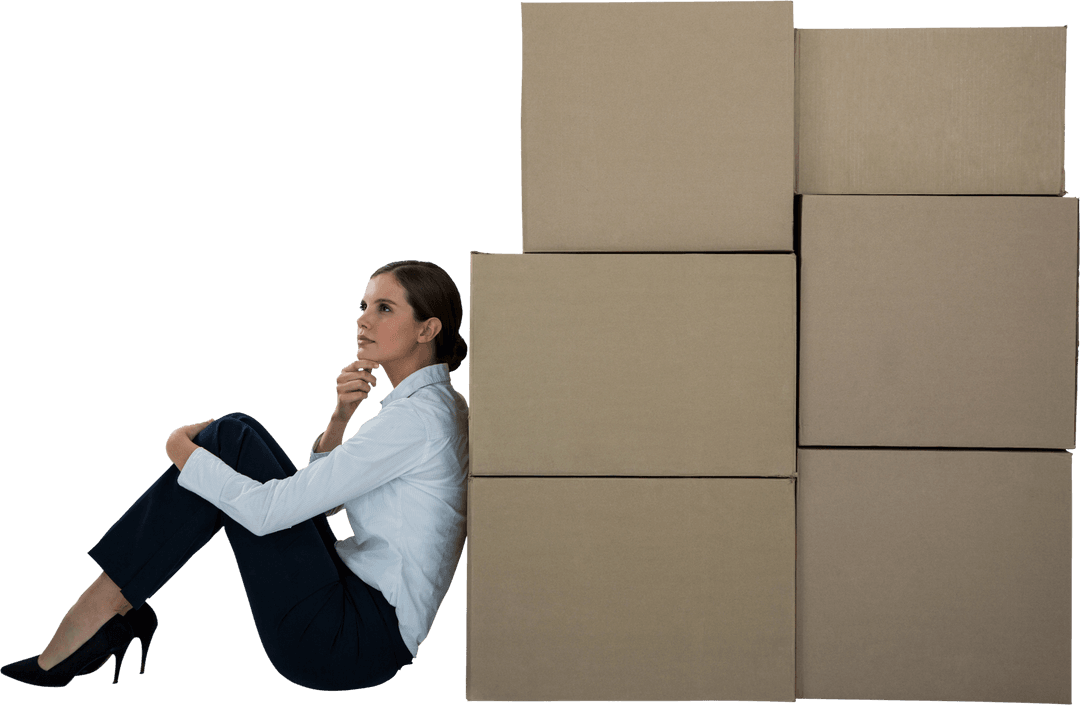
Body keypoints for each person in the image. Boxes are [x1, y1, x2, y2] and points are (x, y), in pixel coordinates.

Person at [1, 260, 470, 691]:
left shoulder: (413, 423)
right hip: (357, 618)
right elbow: (322, 504)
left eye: (384, 308)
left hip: (344, 640)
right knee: (239, 430)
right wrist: (340, 419)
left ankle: (100, 612)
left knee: (226, 440)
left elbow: (269, 514)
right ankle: (109, 609)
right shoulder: (433, 407)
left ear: (427, 328)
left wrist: (179, 449)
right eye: (363, 305)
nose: (363, 319)